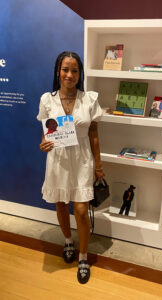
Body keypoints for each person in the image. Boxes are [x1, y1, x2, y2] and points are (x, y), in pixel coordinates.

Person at [37, 51, 104, 284]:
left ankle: (83, 256)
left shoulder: (90, 99)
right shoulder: (47, 99)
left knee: (82, 210)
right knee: (60, 204)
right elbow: (46, 132)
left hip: (83, 159)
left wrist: (99, 164)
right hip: (57, 160)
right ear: (58, 71)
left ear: (79, 74)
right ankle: (67, 241)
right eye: (65, 69)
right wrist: (44, 144)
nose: (69, 74)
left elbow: (93, 132)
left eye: (74, 70)